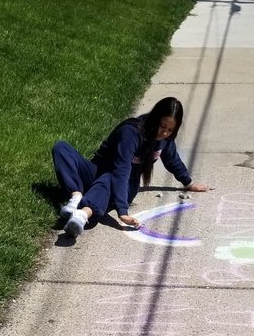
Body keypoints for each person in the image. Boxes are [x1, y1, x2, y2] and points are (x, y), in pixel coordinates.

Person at [52, 96, 209, 238]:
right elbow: (121, 168)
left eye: (170, 130)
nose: (165, 133)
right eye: (163, 126)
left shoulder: (165, 140)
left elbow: (172, 160)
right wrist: (122, 211)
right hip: (98, 171)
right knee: (61, 148)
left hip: (125, 184)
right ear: (155, 119)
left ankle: (82, 215)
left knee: (109, 178)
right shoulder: (131, 132)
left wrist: (188, 183)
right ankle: (76, 195)